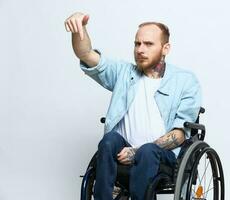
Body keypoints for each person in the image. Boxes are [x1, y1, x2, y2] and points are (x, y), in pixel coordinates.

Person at [64, 12, 202, 200]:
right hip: (122, 151)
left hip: (163, 157)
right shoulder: (123, 73)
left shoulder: (186, 81)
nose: (140, 49)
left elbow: (178, 135)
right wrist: (79, 28)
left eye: (148, 44)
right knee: (109, 140)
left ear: (165, 48)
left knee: (147, 151)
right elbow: (86, 54)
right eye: (137, 43)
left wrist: (135, 152)